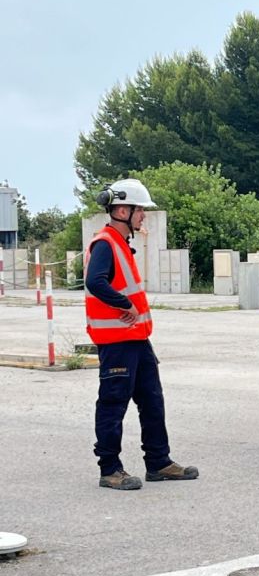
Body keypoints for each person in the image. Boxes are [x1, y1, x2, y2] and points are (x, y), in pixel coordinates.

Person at [84, 178, 199, 490]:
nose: (143, 216)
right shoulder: (106, 243)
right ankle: (110, 469)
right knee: (113, 404)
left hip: (136, 339)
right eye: (139, 210)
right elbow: (95, 282)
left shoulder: (121, 244)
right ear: (121, 210)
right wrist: (124, 305)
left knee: (152, 400)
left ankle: (159, 463)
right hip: (117, 342)